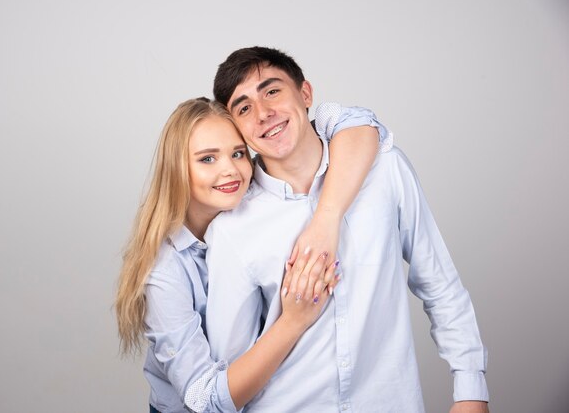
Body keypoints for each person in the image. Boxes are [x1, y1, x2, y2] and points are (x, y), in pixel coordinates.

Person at [205, 47, 490, 413]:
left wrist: (470, 390)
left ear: (305, 94)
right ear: (237, 129)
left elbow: (439, 284)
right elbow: (232, 371)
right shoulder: (231, 229)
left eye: (272, 91)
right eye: (244, 108)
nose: (263, 114)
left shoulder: (385, 170)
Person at [115, 97, 391, 412]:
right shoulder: (165, 271)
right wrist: (293, 321)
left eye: (237, 153)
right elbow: (204, 402)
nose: (230, 170)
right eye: (207, 159)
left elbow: (353, 122)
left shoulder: (258, 197)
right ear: (177, 169)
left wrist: (327, 219)